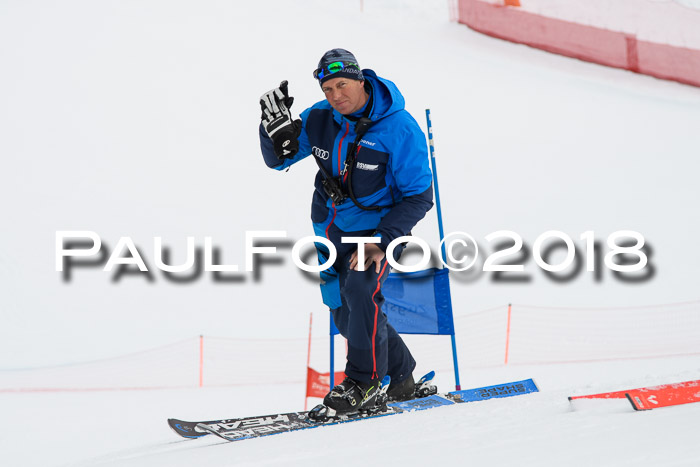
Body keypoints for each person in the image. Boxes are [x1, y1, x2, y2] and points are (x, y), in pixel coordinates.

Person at [258, 48, 433, 415]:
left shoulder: (399, 127)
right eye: (327, 89)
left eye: (342, 85)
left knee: (360, 287)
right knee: (343, 312)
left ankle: (364, 383)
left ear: (361, 81)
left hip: (381, 230)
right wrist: (270, 133)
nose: (335, 95)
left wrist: (381, 241)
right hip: (332, 227)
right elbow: (279, 160)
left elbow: (419, 196)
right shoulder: (321, 118)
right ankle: (401, 378)